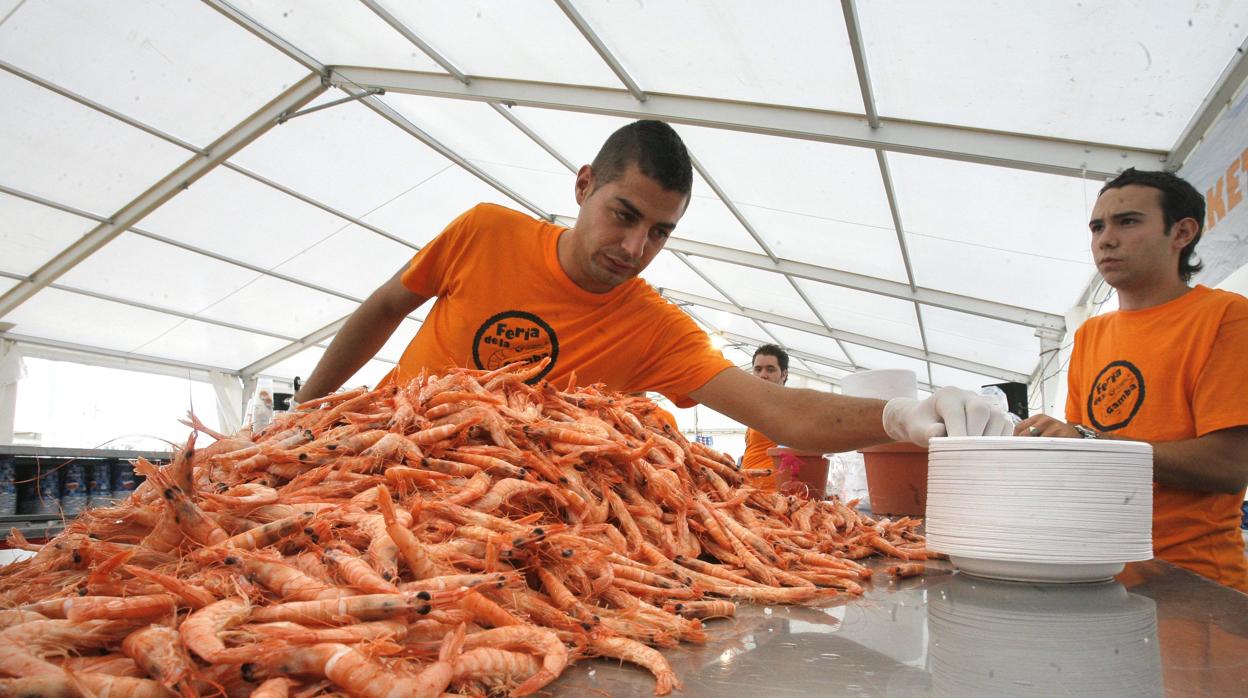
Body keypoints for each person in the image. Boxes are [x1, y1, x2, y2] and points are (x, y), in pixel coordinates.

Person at [294, 120, 1011, 455]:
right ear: (584, 186)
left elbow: (776, 410)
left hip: (490, 522)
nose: (636, 248)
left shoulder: (653, 327)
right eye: (624, 215)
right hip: (367, 455)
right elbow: (387, 306)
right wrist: (303, 410)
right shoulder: (486, 231)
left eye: (661, 232)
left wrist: (898, 416)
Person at [1016, 168, 1248, 592]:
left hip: (1194, 582)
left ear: (1182, 233)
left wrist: (1089, 443)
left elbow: (1229, 466)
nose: (1106, 239)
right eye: (1097, 227)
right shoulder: (1091, 334)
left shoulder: (1226, 317)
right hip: (1098, 574)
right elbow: (1083, 458)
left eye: (1128, 222)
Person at [740, 344, 789, 491]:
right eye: (758, 369)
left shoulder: (789, 406)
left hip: (775, 494)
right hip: (748, 490)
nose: (763, 374)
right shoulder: (755, 408)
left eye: (770, 369)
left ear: (784, 374)